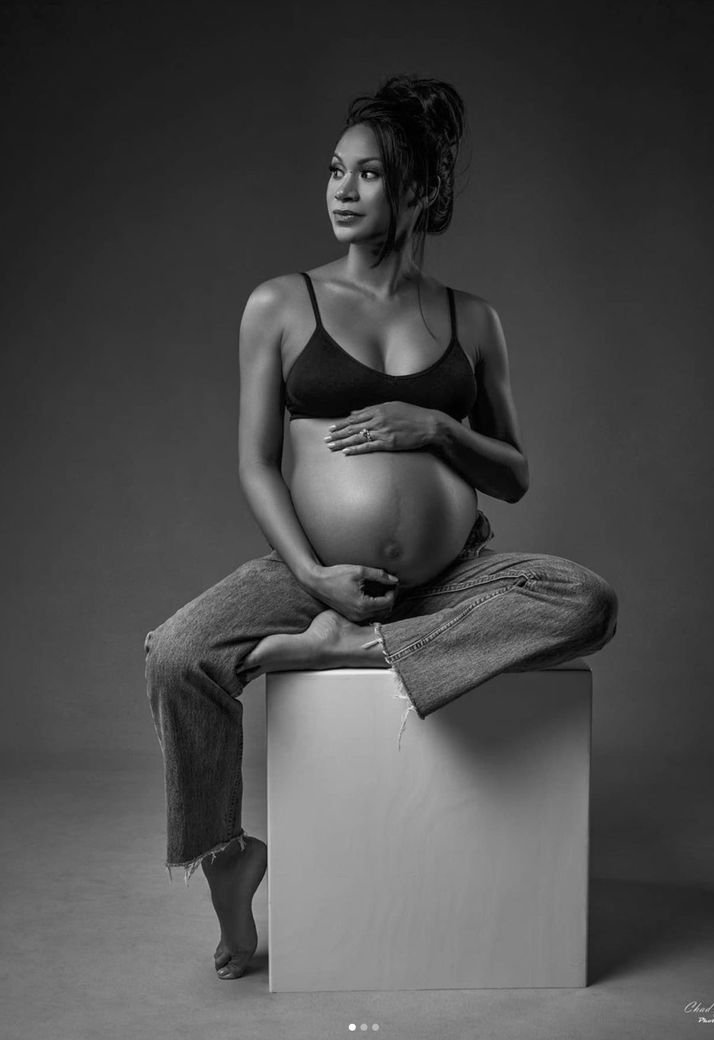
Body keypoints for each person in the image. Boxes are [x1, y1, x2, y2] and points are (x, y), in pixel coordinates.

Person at [144, 73, 619, 981]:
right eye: (335, 171)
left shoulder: (472, 320)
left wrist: (437, 425)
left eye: (367, 176)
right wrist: (314, 578)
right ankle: (226, 862)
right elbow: (255, 461)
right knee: (176, 656)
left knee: (586, 600)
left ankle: (352, 649)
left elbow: (513, 475)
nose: (341, 190)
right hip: (315, 571)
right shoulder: (281, 304)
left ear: (419, 193)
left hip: (452, 578)